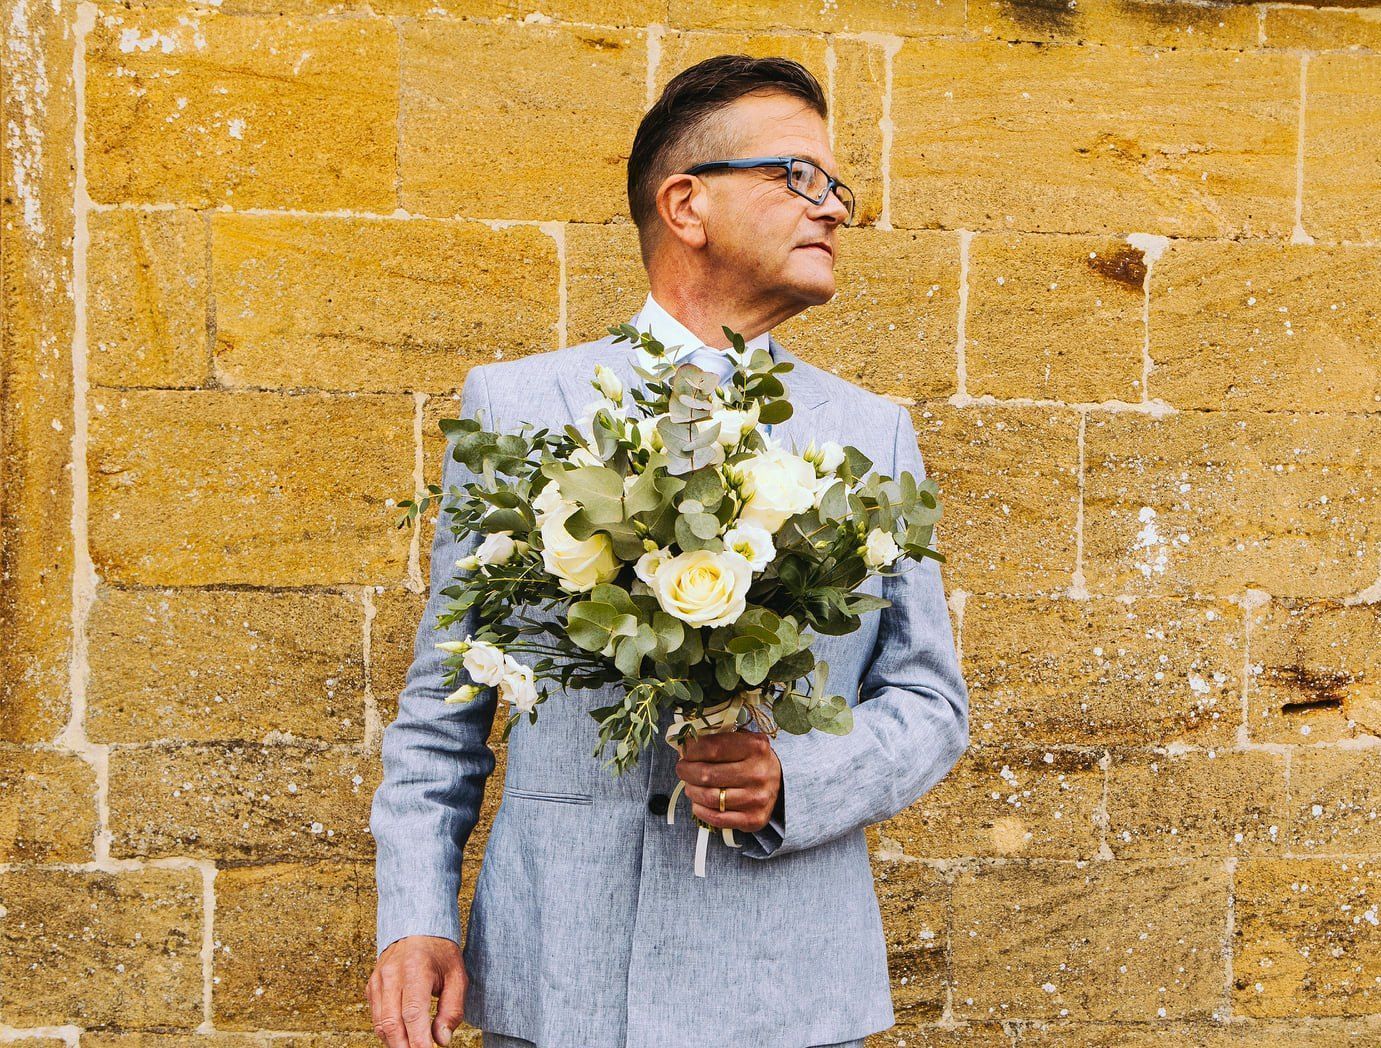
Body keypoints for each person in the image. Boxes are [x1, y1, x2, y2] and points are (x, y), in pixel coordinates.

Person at [366, 54, 970, 1048]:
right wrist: (416, 914)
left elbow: (929, 703)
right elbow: (447, 700)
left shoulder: (870, 435)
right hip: (564, 978)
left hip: (786, 992)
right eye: (799, 177)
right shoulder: (517, 411)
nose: (835, 210)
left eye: (837, 186)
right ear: (686, 204)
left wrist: (797, 779)